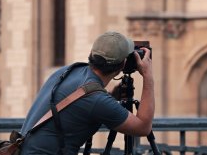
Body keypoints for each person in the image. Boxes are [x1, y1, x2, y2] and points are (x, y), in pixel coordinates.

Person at [20, 31, 154, 155]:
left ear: (92, 53)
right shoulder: (97, 100)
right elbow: (143, 127)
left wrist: (111, 97)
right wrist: (148, 76)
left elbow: (82, 105)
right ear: (122, 65)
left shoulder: (67, 71)